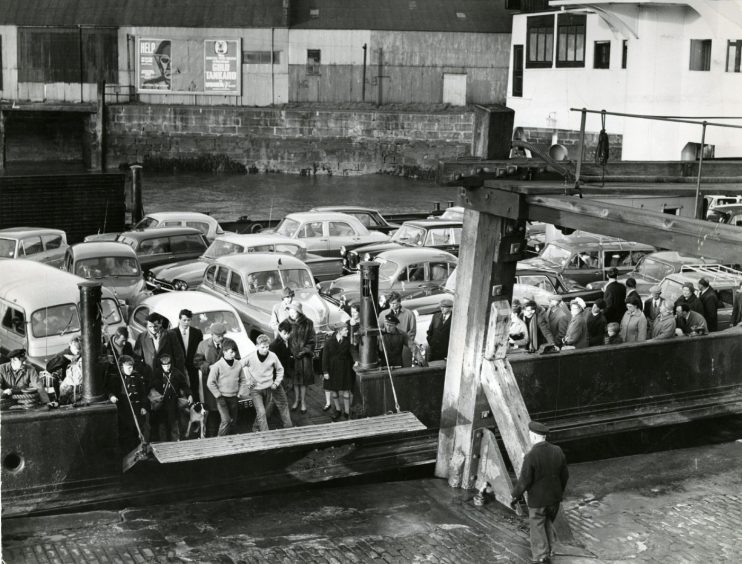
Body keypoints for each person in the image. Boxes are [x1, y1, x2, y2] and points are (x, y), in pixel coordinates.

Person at [510, 421, 569, 564]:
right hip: (554, 499)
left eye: (530, 434)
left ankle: (542, 557)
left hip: (538, 501)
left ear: (534, 436)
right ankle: (549, 551)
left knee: (537, 527)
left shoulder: (531, 456)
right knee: (547, 523)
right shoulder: (558, 450)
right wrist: (558, 492)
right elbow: (565, 475)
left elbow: (524, 481)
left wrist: (515, 495)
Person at [242, 334, 292, 431]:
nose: (265, 349)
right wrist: (247, 380)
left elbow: (280, 369)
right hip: (256, 389)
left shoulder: (272, 356)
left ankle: (257, 429)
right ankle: (265, 434)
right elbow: (238, 366)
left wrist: (276, 382)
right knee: (261, 412)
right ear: (257, 346)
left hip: (270, 387)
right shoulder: (251, 357)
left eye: (267, 347)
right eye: (263, 347)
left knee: (273, 408)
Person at [194, 322, 231, 437]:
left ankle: (226, 435)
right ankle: (211, 435)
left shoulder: (229, 343)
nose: (221, 338)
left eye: (222, 336)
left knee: (226, 410)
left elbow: (237, 359)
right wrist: (208, 366)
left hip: (226, 382)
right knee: (212, 410)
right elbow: (197, 362)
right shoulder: (203, 345)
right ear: (212, 335)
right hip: (210, 383)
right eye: (218, 336)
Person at [107, 354, 149, 450]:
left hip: (137, 408)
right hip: (124, 410)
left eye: (132, 367)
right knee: (126, 432)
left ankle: (140, 450)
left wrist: (143, 406)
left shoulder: (137, 377)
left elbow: (143, 393)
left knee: (138, 430)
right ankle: (128, 451)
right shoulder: (116, 378)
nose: (131, 369)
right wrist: (112, 396)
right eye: (128, 367)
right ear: (121, 367)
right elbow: (109, 391)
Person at [206, 339, 246, 436]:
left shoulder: (238, 364)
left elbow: (243, 380)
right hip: (221, 398)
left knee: (233, 421)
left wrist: (240, 393)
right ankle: (220, 441)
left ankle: (230, 442)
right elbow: (210, 382)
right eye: (231, 352)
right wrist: (218, 395)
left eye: (234, 352)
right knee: (226, 420)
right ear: (224, 352)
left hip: (234, 397)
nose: (233, 354)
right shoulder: (217, 366)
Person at [149, 353, 192, 442]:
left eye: (168, 365)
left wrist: (189, 394)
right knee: (162, 426)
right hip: (161, 403)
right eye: (165, 366)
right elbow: (150, 387)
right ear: (161, 365)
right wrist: (154, 397)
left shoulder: (176, 373)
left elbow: (184, 385)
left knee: (174, 425)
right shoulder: (156, 373)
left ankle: (175, 443)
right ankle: (163, 445)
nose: (167, 367)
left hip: (173, 402)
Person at [134, 313, 184, 380]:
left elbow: (179, 357)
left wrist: (177, 375)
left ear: (160, 324)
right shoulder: (141, 337)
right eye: (150, 327)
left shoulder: (171, 335)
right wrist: (145, 371)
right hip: (151, 378)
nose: (152, 329)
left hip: (169, 377)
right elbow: (136, 358)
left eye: (155, 326)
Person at [169, 309, 204, 406]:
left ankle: (196, 409)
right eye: (184, 320)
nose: (186, 322)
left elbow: (200, 350)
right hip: (178, 367)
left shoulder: (197, 333)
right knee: (180, 389)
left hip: (193, 366)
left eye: (188, 320)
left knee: (194, 388)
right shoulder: (172, 333)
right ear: (179, 319)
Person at [322, 322, 356, 421]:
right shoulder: (329, 342)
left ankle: (347, 411)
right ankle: (338, 410)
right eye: (345, 330)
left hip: (345, 369)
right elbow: (325, 358)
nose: (347, 331)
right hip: (332, 370)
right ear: (339, 331)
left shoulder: (347, 341)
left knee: (346, 390)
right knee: (334, 391)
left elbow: (353, 351)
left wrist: (356, 360)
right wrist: (325, 372)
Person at [287, 302, 315, 414]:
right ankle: (296, 400)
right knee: (294, 382)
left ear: (299, 312)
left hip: (304, 359)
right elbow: (282, 336)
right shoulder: (287, 323)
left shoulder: (308, 323)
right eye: (290, 311)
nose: (291, 314)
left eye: (294, 311)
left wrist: (304, 351)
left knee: (303, 382)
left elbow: (312, 340)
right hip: (292, 357)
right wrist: (289, 351)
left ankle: (303, 402)